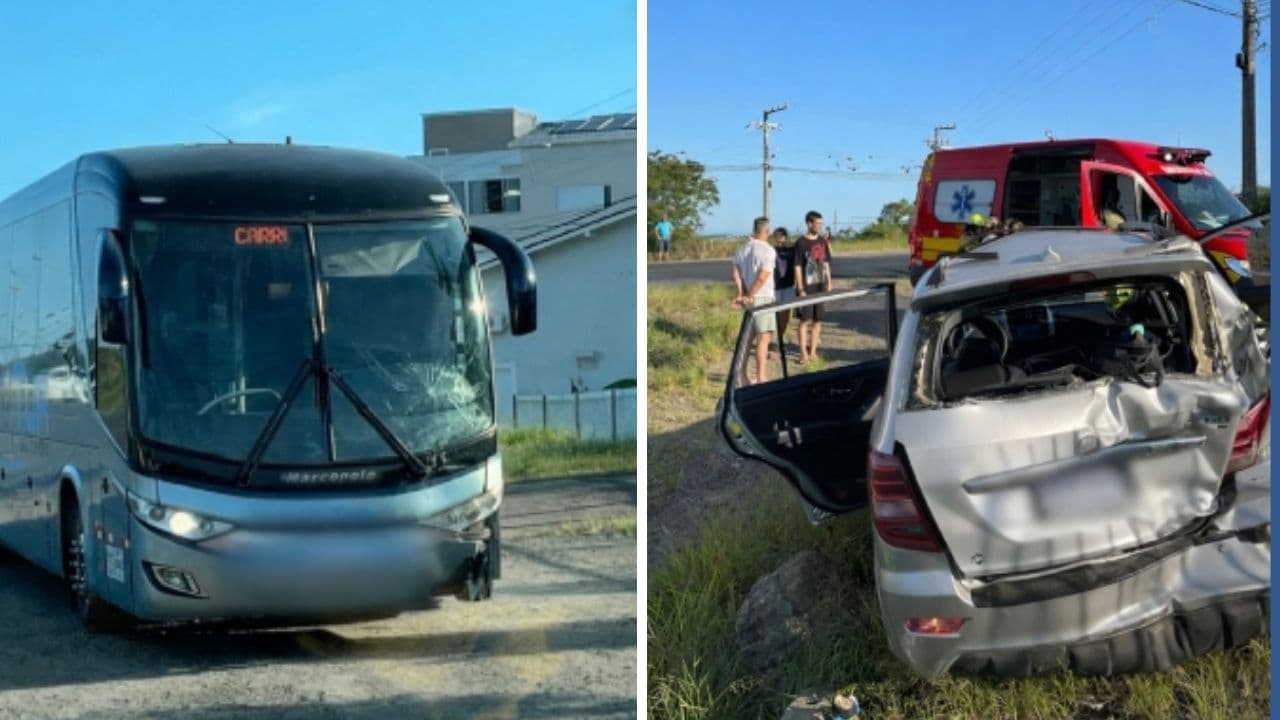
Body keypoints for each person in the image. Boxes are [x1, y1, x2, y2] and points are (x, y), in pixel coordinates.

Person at [732, 216, 777, 384]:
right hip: (763, 297)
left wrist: (741, 293)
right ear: (767, 231)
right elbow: (762, 277)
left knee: (748, 339)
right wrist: (750, 294)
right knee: (763, 340)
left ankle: (742, 375)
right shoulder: (768, 250)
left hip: (749, 299)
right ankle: (761, 377)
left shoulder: (742, 248)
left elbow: (735, 272)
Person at [792, 211, 832, 364]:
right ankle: (803, 353)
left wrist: (829, 280)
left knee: (818, 320)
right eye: (817, 223)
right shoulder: (801, 243)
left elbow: (826, 262)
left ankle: (813, 351)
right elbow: (797, 267)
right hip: (806, 288)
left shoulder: (822, 241)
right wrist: (800, 288)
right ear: (809, 223)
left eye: (821, 224)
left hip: (820, 286)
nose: (820, 226)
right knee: (804, 320)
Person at [771, 227, 795, 354]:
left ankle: (780, 337)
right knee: (775, 314)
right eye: (777, 236)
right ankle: (774, 340)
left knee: (786, 315)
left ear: (786, 237)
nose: (780, 238)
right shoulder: (770, 250)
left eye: (782, 236)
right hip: (775, 287)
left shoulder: (791, 250)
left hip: (789, 286)